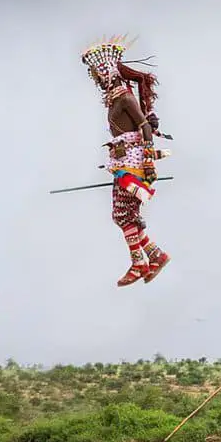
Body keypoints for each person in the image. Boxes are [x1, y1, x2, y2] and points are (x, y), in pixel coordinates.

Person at [80, 37, 171, 286]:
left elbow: (144, 127)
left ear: (107, 73)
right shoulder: (115, 99)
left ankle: (140, 261)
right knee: (124, 215)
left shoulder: (124, 99)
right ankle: (153, 255)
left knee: (123, 214)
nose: (97, 81)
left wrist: (150, 162)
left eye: (98, 76)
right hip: (122, 165)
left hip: (133, 165)